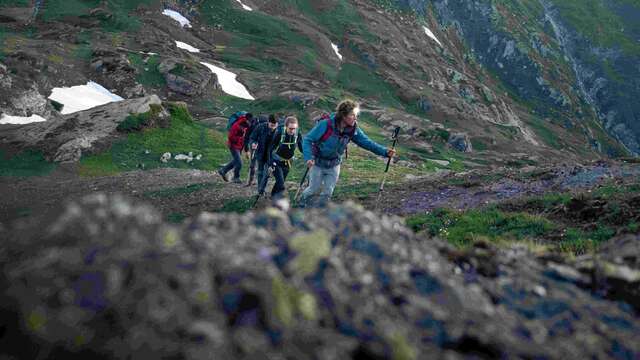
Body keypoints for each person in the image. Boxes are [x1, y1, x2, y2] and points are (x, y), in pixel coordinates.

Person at [300, 99, 396, 207]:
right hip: (317, 163)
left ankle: (318, 214)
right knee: (313, 189)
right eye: (352, 115)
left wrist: (385, 152)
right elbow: (308, 139)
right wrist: (308, 157)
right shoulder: (325, 125)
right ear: (343, 115)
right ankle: (301, 206)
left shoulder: (352, 128)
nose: (355, 118)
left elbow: (366, 142)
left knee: (328, 193)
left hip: (334, 164)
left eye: (356, 115)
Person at [264, 116, 303, 200]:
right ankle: (281, 200)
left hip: (288, 162)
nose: (292, 130)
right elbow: (270, 148)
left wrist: (309, 155)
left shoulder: (297, 134)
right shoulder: (279, 133)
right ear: (286, 126)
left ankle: (273, 195)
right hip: (277, 161)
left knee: (280, 181)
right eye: (290, 128)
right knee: (281, 182)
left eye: (294, 128)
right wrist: (270, 161)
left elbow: (301, 147)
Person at [218, 114, 250, 184]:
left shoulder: (245, 126)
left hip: (239, 146)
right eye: (249, 121)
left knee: (236, 161)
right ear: (246, 120)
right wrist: (241, 138)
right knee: (239, 162)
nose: (250, 123)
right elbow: (231, 137)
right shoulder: (236, 125)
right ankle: (236, 177)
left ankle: (223, 170)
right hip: (233, 146)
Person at [250, 114, 279, 191]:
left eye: (275, 125)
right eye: (271, 125)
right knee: (260, 172)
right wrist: (253, 143)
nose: (273, 127)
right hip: (260, 152)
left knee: (267, 173)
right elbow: (252, 137)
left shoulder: (279, 131)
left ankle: (262, 188)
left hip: (271, 154)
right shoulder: (260, 127)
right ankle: (260, 190)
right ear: (268, 122)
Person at [244, 114, 268, 186]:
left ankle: (250, 181)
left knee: (253, 163)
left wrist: (246, 150)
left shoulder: (252, 125)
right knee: (260, 163)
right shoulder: (258, 122)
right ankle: (257, 181)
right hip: (261, 143)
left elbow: (246, 137)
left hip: (255, 143)